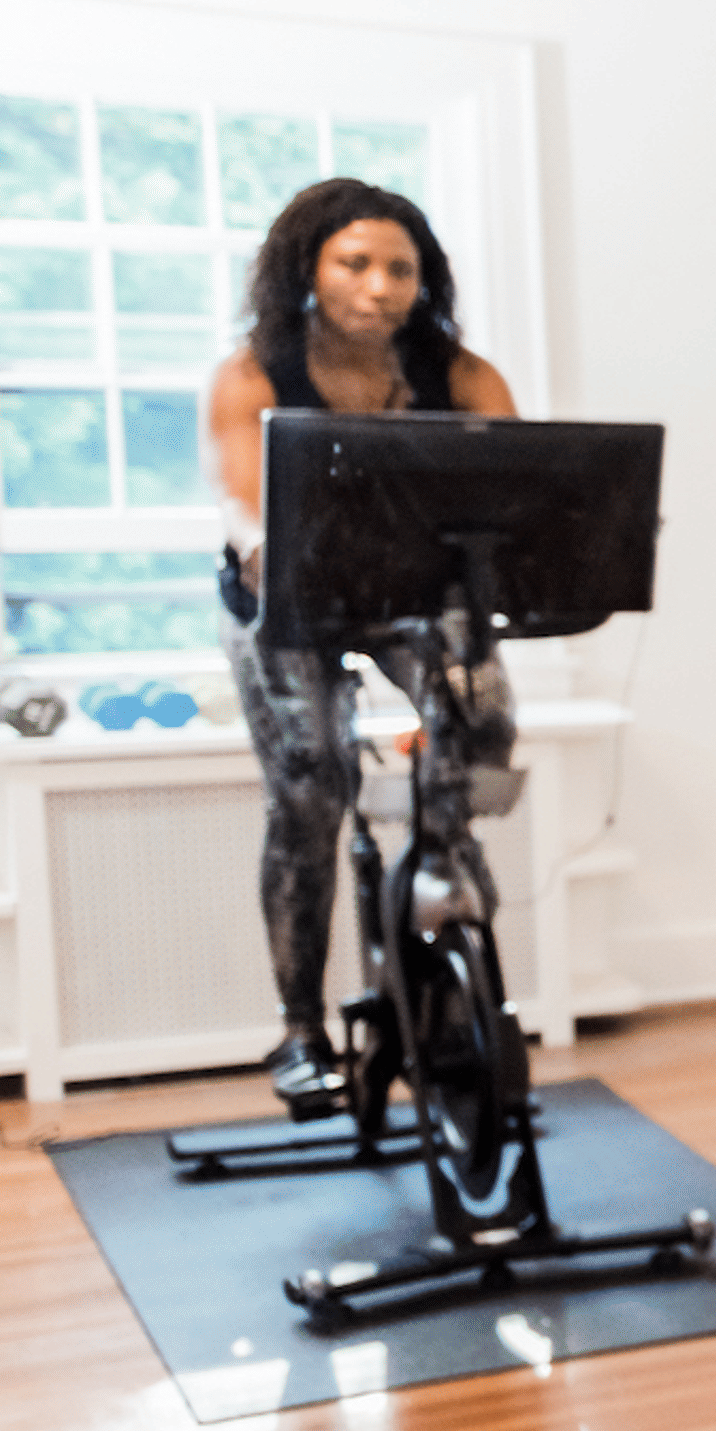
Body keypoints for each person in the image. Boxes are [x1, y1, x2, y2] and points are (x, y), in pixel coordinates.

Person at [202, 178, 521, 1112]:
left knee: (484, 718)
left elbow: (516, 489)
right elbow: (242, 503)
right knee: (311, 782)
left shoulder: (460, 374)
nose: (379, 287)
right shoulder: (254, 371)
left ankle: (440, 903)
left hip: (405, 592)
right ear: (310, 268)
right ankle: (300, 1030)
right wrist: (268, 551)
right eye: (355, 264)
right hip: (287, 595)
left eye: (400, 269)